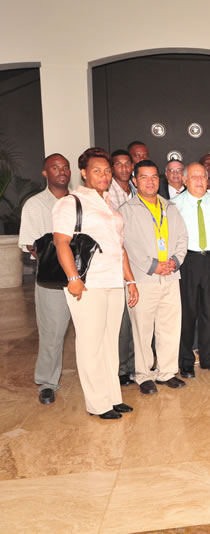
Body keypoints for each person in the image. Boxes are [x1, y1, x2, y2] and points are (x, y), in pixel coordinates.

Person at [52, 147, 137, 419]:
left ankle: (112, 397)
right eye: (97, 171)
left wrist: (130, 280)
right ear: (84, 173)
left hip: (113, 281)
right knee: (91, 343)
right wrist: (73, 278)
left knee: (110, 342)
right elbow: (61, 242)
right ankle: (98, 403)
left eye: (107, 171)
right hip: (88, 283)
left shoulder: (108, 204)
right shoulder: (71, 202)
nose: (104, 175)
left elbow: (120, 248)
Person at [120, 160, 188, 393]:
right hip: (143, 279)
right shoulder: (127, 210)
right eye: (144, 177)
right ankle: (144, 375)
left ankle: (167, 372)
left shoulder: (170, 207)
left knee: (170, 327)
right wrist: (152, 266)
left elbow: (183, 237)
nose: (150, 182)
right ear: (135, 181)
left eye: (154, 177)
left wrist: (175, 261)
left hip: (170, 277)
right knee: (143, 330)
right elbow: (127, 244)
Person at [18, 153, 73, 405]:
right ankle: (47, 382)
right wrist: (57, 255)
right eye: (55, 167)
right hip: (52, 280)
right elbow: (31, 244)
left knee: (92, 331)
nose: (61, 171)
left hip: (84, 277)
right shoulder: (35, 204)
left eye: (65, 167)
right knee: (52, 332)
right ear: (45, 173)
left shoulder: (79, 201)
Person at [173, 162, 210, 377]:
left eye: (202, 176)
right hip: (188, 261)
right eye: (194, 177)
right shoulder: (174, 205)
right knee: (186, 314)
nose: (199, 181)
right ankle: (185, 361)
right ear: (184, 180)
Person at [108, 149, 136, 386]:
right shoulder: (107, 194)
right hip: (118, 262)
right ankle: (121, 368)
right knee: (123, 321)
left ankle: (137, 364)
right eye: (119, 164)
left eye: (128, 164)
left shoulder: (136, 190)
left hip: (139, 261)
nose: (124, 168)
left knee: (138, 317)